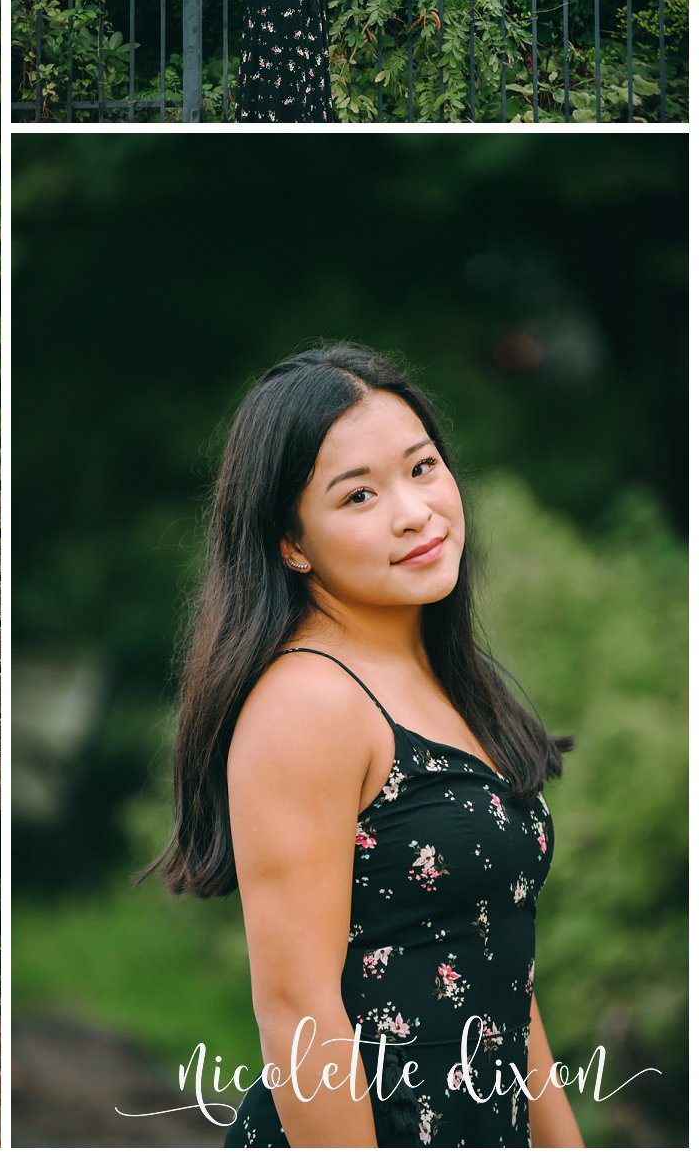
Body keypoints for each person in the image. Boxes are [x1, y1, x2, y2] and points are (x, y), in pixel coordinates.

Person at [143, 345, 579, 1147]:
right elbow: (296, 1011)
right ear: (291, 541)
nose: (413, 511)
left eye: (422, 467)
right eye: (359, 494)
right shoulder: (308, 702)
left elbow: (503, 969)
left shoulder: (448, 679)